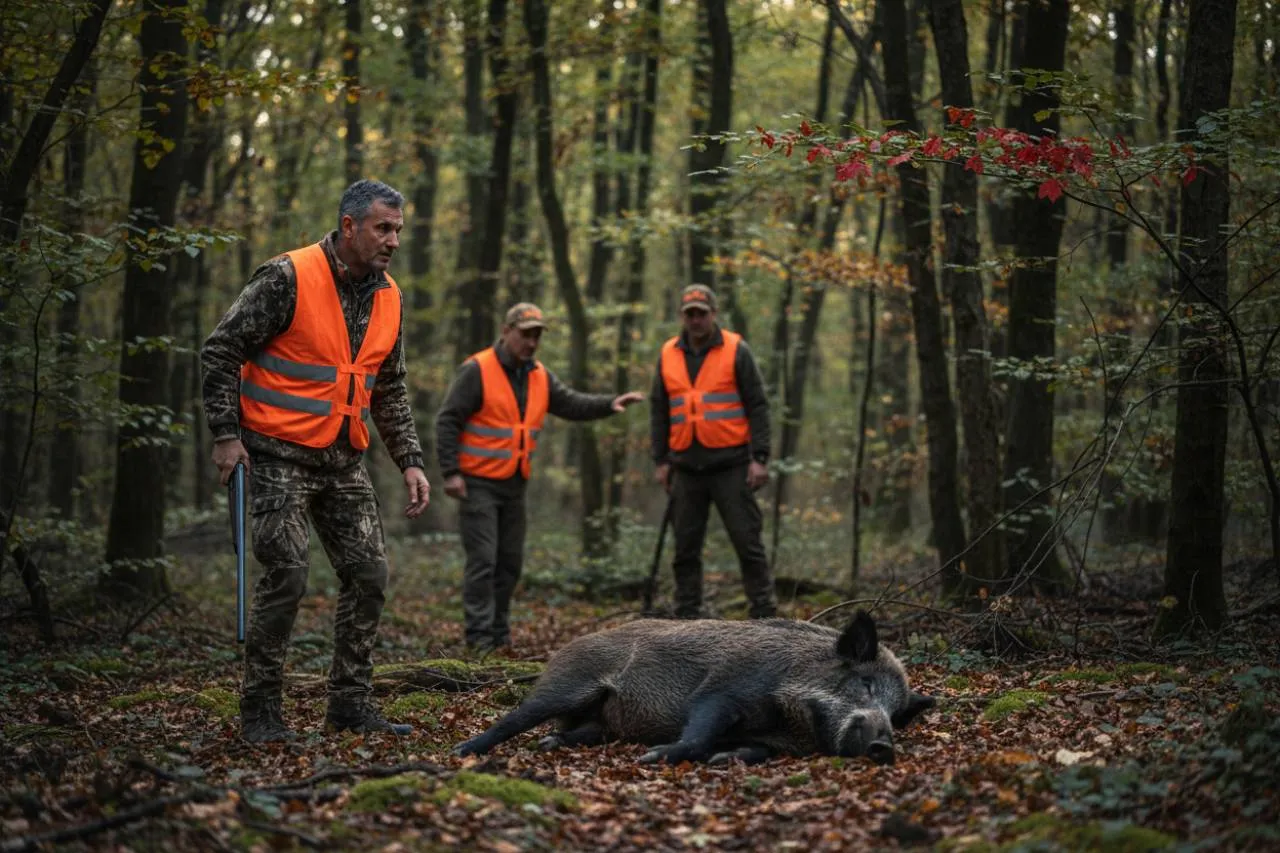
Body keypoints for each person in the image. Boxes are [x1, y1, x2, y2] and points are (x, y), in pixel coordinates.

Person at [200, 179, 431, 743]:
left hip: (343, 458)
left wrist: (410, 460)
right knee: (287, 576)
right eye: (383, 228)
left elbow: (390, 386)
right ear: (349, 226)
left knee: (369, 574)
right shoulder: (287, 276)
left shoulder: (390, 296)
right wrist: (226, 435)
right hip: (275, 454)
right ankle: (260, 711)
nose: (393, 241)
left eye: (398, 230)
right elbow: (221, 349)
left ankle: (349, 705)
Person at [436, 303, 645, 652]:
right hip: (477, 483)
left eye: (536, 336)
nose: (531, 343)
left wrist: (609, 404)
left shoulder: (539, 375)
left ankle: (499, 635)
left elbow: (570, 403)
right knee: (483, 560)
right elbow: (448, 420)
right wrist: (451, 472)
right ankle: (478, 639)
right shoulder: (477, 370)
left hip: (514, 484)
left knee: (510, 562)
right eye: (525, 334)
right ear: (506, 331)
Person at [649, 284, 777, 619]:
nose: (695, 320)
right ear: (682, 316)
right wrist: (660, 460)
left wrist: (759, 458)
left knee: (747, 542)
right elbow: (659, 409)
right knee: (685, 549)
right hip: (685, 468)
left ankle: (764, 613)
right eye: (690, 313)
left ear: (713, 314)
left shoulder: (736, 349)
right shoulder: (668, 354)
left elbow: (758, 405)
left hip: (731, 465)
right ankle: (686, 616)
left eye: (701, 313)